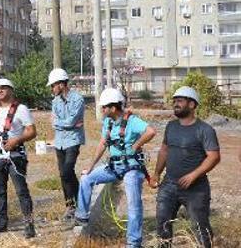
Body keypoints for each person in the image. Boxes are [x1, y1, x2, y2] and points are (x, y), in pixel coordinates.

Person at [75, 88, 156, 248]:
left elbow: (151, 131)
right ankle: (82, 216)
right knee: (86, 179)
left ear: (113, 107)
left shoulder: (132, 121)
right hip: (114, 166)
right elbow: (102, 144)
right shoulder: (108, 122)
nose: (102, 110)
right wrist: (90, 167)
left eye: (104, 107)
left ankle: (133, 242)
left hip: (132, 168)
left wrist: (137, 144)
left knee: (134, 203)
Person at [151, 86, 220, 248]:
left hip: (196, 189)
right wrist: (156, 174)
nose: (175, 104)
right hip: (169, 185)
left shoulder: (205, 130)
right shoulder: (171, 126)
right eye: (174, 101)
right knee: (162, 225)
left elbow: (214, 156)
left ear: (192, 104)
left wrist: (193, 175)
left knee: (200, 228)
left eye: (180, 101)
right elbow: (164, 150)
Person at [0, 79, 37, 238]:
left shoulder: (21, 109)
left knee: (21, 191)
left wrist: (16, 140)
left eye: (3, 88)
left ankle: (29, 224)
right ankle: (1, 222)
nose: (0, 90)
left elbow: (32, 131)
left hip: (15, 157)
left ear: (11, 90)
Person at [48, 68, 85, 220]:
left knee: (67, 171)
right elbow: (55, 122)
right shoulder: (55, 101)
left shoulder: (77, 99)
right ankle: (70, 206)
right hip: (60, 141)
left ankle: (80, 202)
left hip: (73, 140)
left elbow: (71, 121)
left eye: (53, 85)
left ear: (61, 84)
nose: (52, 89)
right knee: (64, 175)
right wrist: (65, 123)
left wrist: (60, 123)